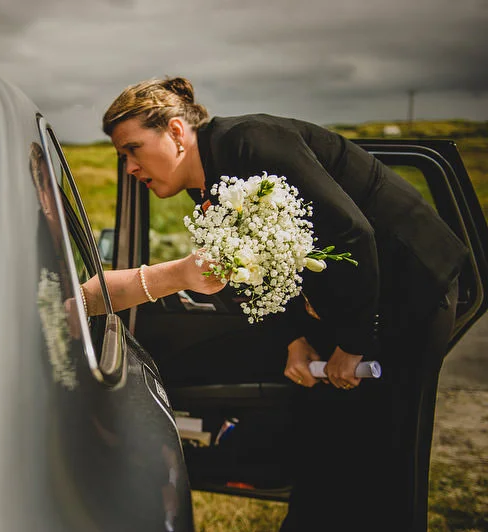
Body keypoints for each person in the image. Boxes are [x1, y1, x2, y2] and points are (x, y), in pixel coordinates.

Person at [83, 76, 468, 532]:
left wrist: (353, 343)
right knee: (323, 444)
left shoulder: (252, 142)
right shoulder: (207, 191)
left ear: (175, 132)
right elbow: (265, 269)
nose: (128, 166)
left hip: (411, 289)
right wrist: (295, 339)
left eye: (132, 149)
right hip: (356, 300)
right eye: (121, 156)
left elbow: (352, 234)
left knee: (384, 456)